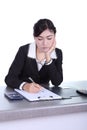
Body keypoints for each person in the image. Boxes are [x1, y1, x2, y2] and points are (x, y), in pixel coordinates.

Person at [5, 18, 63, 93]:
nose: (45, 43)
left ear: (54, 37)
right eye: (40, 39)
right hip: (22, 94)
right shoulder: (24, 50)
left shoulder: (58, 53)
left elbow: (57, 82)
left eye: (49, 38)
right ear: (34, 37)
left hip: (44, 96)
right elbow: (9, 78)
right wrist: (25, 86)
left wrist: (48, 57)